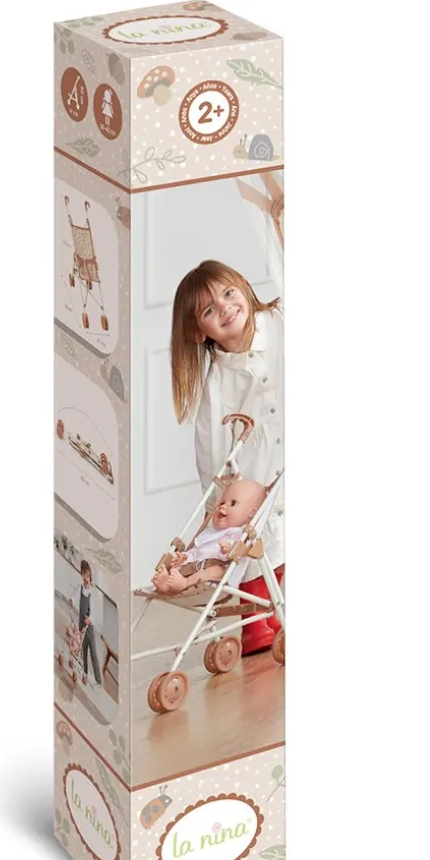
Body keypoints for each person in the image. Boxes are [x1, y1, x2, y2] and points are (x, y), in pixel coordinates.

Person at [170, 260, 284, 654]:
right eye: (208, 310)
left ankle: (275, 616)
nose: (225, 308)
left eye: (229, 293)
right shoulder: (216, 384)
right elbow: (211, 450)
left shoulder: (280, 323)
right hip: (256, 476)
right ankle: (257, 623)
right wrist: (219, 507)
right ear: (197, 332)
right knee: (255, 543)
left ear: (244, 285)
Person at [76, 561, 101, 687]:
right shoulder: (80, 588)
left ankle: (98, 680)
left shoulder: (93, 592)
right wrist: (71, 600)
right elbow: (75, 599)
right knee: (83, 650)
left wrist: (90, 619)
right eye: (83, 575)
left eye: (87, 575)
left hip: (89, 626)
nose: (85, 578)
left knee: (93, 652)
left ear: (90, 576)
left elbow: (95, 610)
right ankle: (84, 673)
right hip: (81, 624)